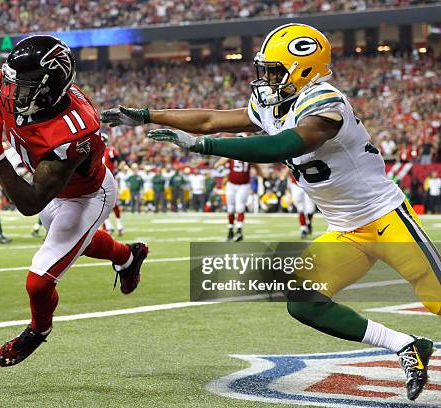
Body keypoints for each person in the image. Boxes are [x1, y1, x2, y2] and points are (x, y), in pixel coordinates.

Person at [102, 23, 439, 401]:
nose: (265, 80)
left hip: (385, 219)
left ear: (305, 69)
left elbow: (281, 144)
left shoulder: (325, 102)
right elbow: (212, 118)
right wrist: (148, 115)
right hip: (346, 229)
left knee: (437, 298)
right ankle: (407, 345)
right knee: (303, 300)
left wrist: (204, 147)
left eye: (275, 71)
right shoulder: (273, 103)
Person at [0, 35, 148, 368]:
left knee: (40, 281)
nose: (8, 93)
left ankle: (38, 330)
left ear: (46, 88)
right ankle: (129, 256)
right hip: (43, 176)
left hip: (84, 194)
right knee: (79, 243)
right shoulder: (24, 89)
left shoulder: (74, 129)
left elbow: (30, 202)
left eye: (21, 87)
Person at [215, 156, 259, 241]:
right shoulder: (232, 153)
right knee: (230, 208)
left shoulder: (250, 154)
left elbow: (257, 166)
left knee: (240, 207)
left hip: (243, 185)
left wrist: (262, 175)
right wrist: (221, 163)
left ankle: (239, 231)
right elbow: (219, 163)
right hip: (231, 184)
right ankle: (230, 230)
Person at [101, 132, 124, 235]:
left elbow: (119, 160)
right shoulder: (94, 152)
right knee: (100, 204)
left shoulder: (110, 150)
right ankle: (108, 226)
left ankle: (118, 225)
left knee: (113, 203)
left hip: (109, 180)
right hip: (98, 181)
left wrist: (117, 170)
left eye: (103, 140)